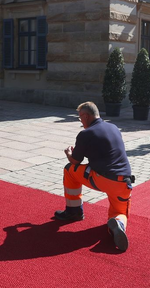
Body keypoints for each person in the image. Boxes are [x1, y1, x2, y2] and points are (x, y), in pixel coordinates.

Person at [54, 101, 134, 252]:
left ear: (86, 116)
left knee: (70, 170)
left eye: (80, 118)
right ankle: (118, 225)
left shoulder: (86, 134)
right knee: (120, 212)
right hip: (124, 181)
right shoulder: (114, 127)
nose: (81, 121)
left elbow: (76, 161)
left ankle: (74, 211)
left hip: (101, 178)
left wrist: (68, 153)